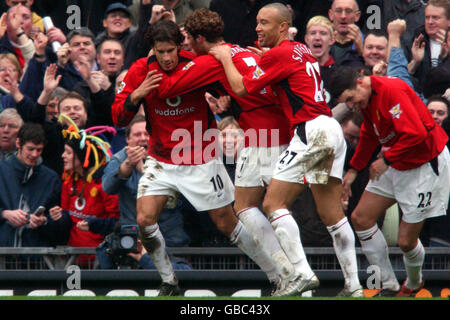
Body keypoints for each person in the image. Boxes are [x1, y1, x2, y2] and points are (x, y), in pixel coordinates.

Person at [112, 19, 277, 296]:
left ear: (180, 46)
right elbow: (117, 117)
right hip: (162, 159)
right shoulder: (139, 71)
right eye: (160, 51)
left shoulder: (195, 62)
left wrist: (226, 103)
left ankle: (276, 273)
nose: (166, 58)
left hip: (202, 158)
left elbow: (229, 90)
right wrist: (137, 94)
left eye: (170, 51)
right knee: (144, 219)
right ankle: (168, 281)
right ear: (152, 48)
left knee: (227, 223)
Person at [210, 3, 363, 297]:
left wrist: (227, 58)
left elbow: (241, 88)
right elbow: (286, 71)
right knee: (332, 214)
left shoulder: (278, 54)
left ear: (282, 27)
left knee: (272, 205)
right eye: (256, 22)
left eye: (264, 23)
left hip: (310, 131)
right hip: (330, 127)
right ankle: (354, 286)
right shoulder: (302, 50)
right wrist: (266, 59)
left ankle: (301, 274)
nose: (257, 28)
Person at [154, 8, 302, 296]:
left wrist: (154, 62)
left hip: (264, 135)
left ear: (199, 38)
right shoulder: (239, 51)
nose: (186, 47)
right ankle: (300, 276)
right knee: (275, 207)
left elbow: (171, 86)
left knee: (253, 208)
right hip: (281, 129)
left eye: (187, 41)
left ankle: (292, 272)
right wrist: (231, 107)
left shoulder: (213, 59)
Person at [329, 65, 450, 297]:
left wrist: (386, 160)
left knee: (406, 241)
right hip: (398, 158)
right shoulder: (367, 98)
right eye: (347, 103)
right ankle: (389, 283)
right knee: (361, 218)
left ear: (361, 81)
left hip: (424, 164)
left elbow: (417, 134)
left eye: (351, 99)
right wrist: (354, 169)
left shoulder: (391, 90)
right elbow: (369, 133)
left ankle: (414, 283)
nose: (352, 105)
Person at [100, 115, 191, 269]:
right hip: (133, 241)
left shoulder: (170, 157)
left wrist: (144, 171)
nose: (143, 139)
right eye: (137, 135)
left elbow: (177, 196)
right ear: (127, 140)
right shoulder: (119, 158)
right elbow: (107, 187)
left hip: (170, 240)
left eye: (146, 134)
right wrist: (126, 167)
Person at [49, 115, 120, 267]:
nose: (63, 156)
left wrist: (94, 224)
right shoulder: (68, 183)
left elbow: (117, 223)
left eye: (68, 152)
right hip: (72, 258)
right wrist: (59, 217)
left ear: (81, 156)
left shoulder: (104, 185)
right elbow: (68, 220)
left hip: (100, 259)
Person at [0, 122, 70, 247]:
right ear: (18, 144)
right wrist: (4, 214)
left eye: (39, 150)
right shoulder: (2, 171)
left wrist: (44, 221)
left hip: (36, 255)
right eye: (30, 149)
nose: (34, 155)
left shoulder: (50, 178)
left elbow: (58, 223)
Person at [407, 0, 449, 93]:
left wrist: (445, 58)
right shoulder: (415, 40)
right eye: (427, 17)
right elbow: (402, 77)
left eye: (435, 18)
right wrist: (415, 62)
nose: (430, 22)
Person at [328, 0, 364, 67]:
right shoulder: (322, 43)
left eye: (348, 11)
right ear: (331, 15)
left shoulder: (368, 44)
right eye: (338, 11)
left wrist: (361, 51)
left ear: (357, 16)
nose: (343, 16)